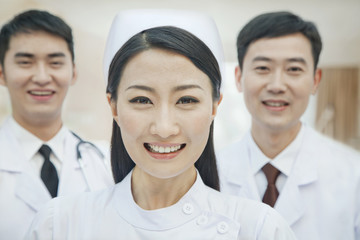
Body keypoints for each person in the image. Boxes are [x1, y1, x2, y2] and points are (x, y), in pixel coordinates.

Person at [25, 9, 296, 239]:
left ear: (215, 106)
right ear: (114, 106)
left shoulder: (259, 229)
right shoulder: (59, 224)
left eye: (186, 99)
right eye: (142, 100)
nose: (164, 128)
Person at [217, 11, 360, 240]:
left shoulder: (353, 176)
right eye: (263, 68)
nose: (277, 85)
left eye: (294, 69)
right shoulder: (208, 175)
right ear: (238, 77)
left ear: (315, 80)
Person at [0, 10, 113, 240]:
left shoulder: (104, 161)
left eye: (55, 62)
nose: (42, 77)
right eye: (25, 62)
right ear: (2, 74)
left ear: (73, 73)